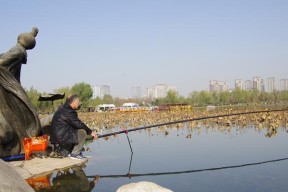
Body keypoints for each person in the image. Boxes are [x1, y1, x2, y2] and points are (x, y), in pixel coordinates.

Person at [50, 94, 97, 159]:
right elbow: (78, 124)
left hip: (58, 137)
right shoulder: (69, 111)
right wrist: (90, 132)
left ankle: (69, 152)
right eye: (78, 102)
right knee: (82, 132)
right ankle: (75, 154)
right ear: (73, 101)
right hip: (61, 137)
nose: (79, 104)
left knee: (77, 131)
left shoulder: (62, 108)